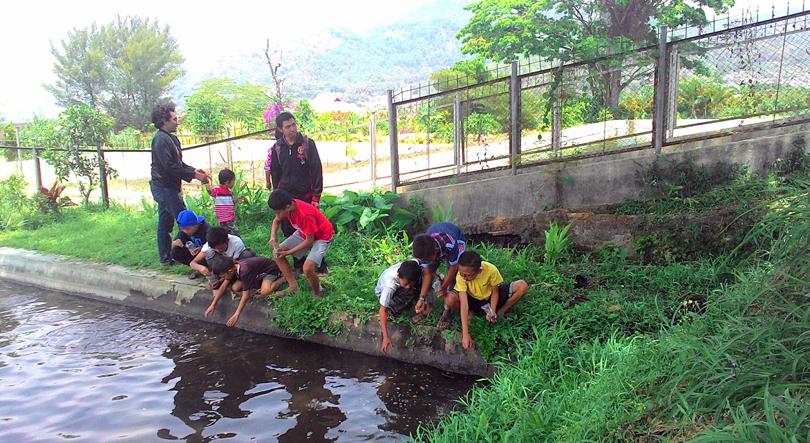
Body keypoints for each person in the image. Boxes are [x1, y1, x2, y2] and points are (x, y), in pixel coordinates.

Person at [150, 101, 209, 266]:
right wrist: (194, 175)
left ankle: (166, 257)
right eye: (174, 119)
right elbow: (169, 167)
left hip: (169, 186)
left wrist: (194, 171)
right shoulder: (160, 140)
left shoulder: (172, 139)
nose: (178, 122)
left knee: (165, 221)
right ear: (164, 121)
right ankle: (194, 256)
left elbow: (179, 164)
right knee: (185, 220)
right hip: (164, 187)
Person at [264, 111, 325, 272]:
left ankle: (319, 265)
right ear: (280, 129)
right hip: (285, 197)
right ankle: (299, 263)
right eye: (288, 126)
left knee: (311, 230)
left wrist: (316, 196)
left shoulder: (307, 144)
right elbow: (275, 172)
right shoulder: (277, 147)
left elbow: (316, 169)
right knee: (289, 230)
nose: (292, 129)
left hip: (305, 195)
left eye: (293, 125)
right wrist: (277, 193)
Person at [452, 250, 529, 351]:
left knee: (522, 286)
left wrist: (492, 310)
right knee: (450, 299)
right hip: (474, 300)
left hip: (490, 296)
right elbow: (464, 303)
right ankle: (471, 313)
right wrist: (465, 334)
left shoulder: (490, 269)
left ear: (479, 270)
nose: (464, 277)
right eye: (462, 274)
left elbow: (495, 292)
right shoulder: (461, 276)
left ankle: (501, 312)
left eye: (468, 275)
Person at [267, 189, 333, 298]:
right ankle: (293, 287)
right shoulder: (288, 206)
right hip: (305, 232)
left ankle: (317, 294)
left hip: (322, 236)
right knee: (277, 255)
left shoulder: (304, 215)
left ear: (288, 207)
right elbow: (276, 220)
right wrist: (273, 236)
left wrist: (288, 252)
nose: (277, 215)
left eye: (278, 212)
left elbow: (309, 241)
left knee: (307, 268)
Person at [411, 222, 466, 328]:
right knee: (425, 274)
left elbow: (453, 268)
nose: (425, 261)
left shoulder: (451, 243)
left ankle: (447, 311)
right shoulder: (422, 249)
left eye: (427, 260)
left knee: (455, 276)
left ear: (436, 253)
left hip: (455, 240)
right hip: (436, 245)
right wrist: (421, 298)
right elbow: (427, 273)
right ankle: (427, 306)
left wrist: (444, 287)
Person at [205, 255, 285, 327]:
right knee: (235, 287)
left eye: (222, 276)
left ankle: (282, 279)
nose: (223, 278)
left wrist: (236, 314)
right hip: (256, 273)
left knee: (265, 292)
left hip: (271, 270)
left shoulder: (245, 271)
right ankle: (259, 282)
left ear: (230, 271)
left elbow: (246, 295)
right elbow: (223, 286)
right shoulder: (233, 267)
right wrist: (213, 304)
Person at [376, 260, 423, 354]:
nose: (408, 286)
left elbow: (419, 261)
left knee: (422, 279)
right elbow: (382, 311)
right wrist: (386, 337)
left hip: (399, 287)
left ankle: (414, 302)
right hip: (383, 293)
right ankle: (393, 310)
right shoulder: (389, 286)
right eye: (406, 284)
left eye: (410, 283)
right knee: (410, 292)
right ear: (398, 275)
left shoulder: (412, 267)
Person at [189, 226, 255, 289]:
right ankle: (218, 277)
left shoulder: (236, 243)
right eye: (215, 248)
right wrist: (200, 268)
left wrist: (222, 281)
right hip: (224, 269)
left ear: (227, 241)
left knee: (247, 255)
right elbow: (192, 263)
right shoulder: (209, 246)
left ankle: (243, 278)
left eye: (219, 248)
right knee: (208, 254)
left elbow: (232, 267)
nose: (218, 250)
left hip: (234, 267)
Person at [171, 209, 210, 278]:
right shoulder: (184, 232)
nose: (185, 231)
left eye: (187, 229)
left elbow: (213, 244)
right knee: (175, 252)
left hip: (207, 254)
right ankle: (198, 268)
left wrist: (201, 249)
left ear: (196, 225)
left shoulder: (206, 229)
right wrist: (174, 243)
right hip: (194, 254)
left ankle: (209, 268)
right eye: (182, 229)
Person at [206, 168, 244, 236]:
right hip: (224, 219)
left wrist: (237, 200)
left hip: (230, 218)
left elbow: (229, 203)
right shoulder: (218, 190)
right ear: (227, 182)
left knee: (228, 235)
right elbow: (210, 191)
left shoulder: (229, 192)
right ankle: (238, 245)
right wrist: (205, 181)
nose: (234, 183)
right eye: (233, 181)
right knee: (235, 235)